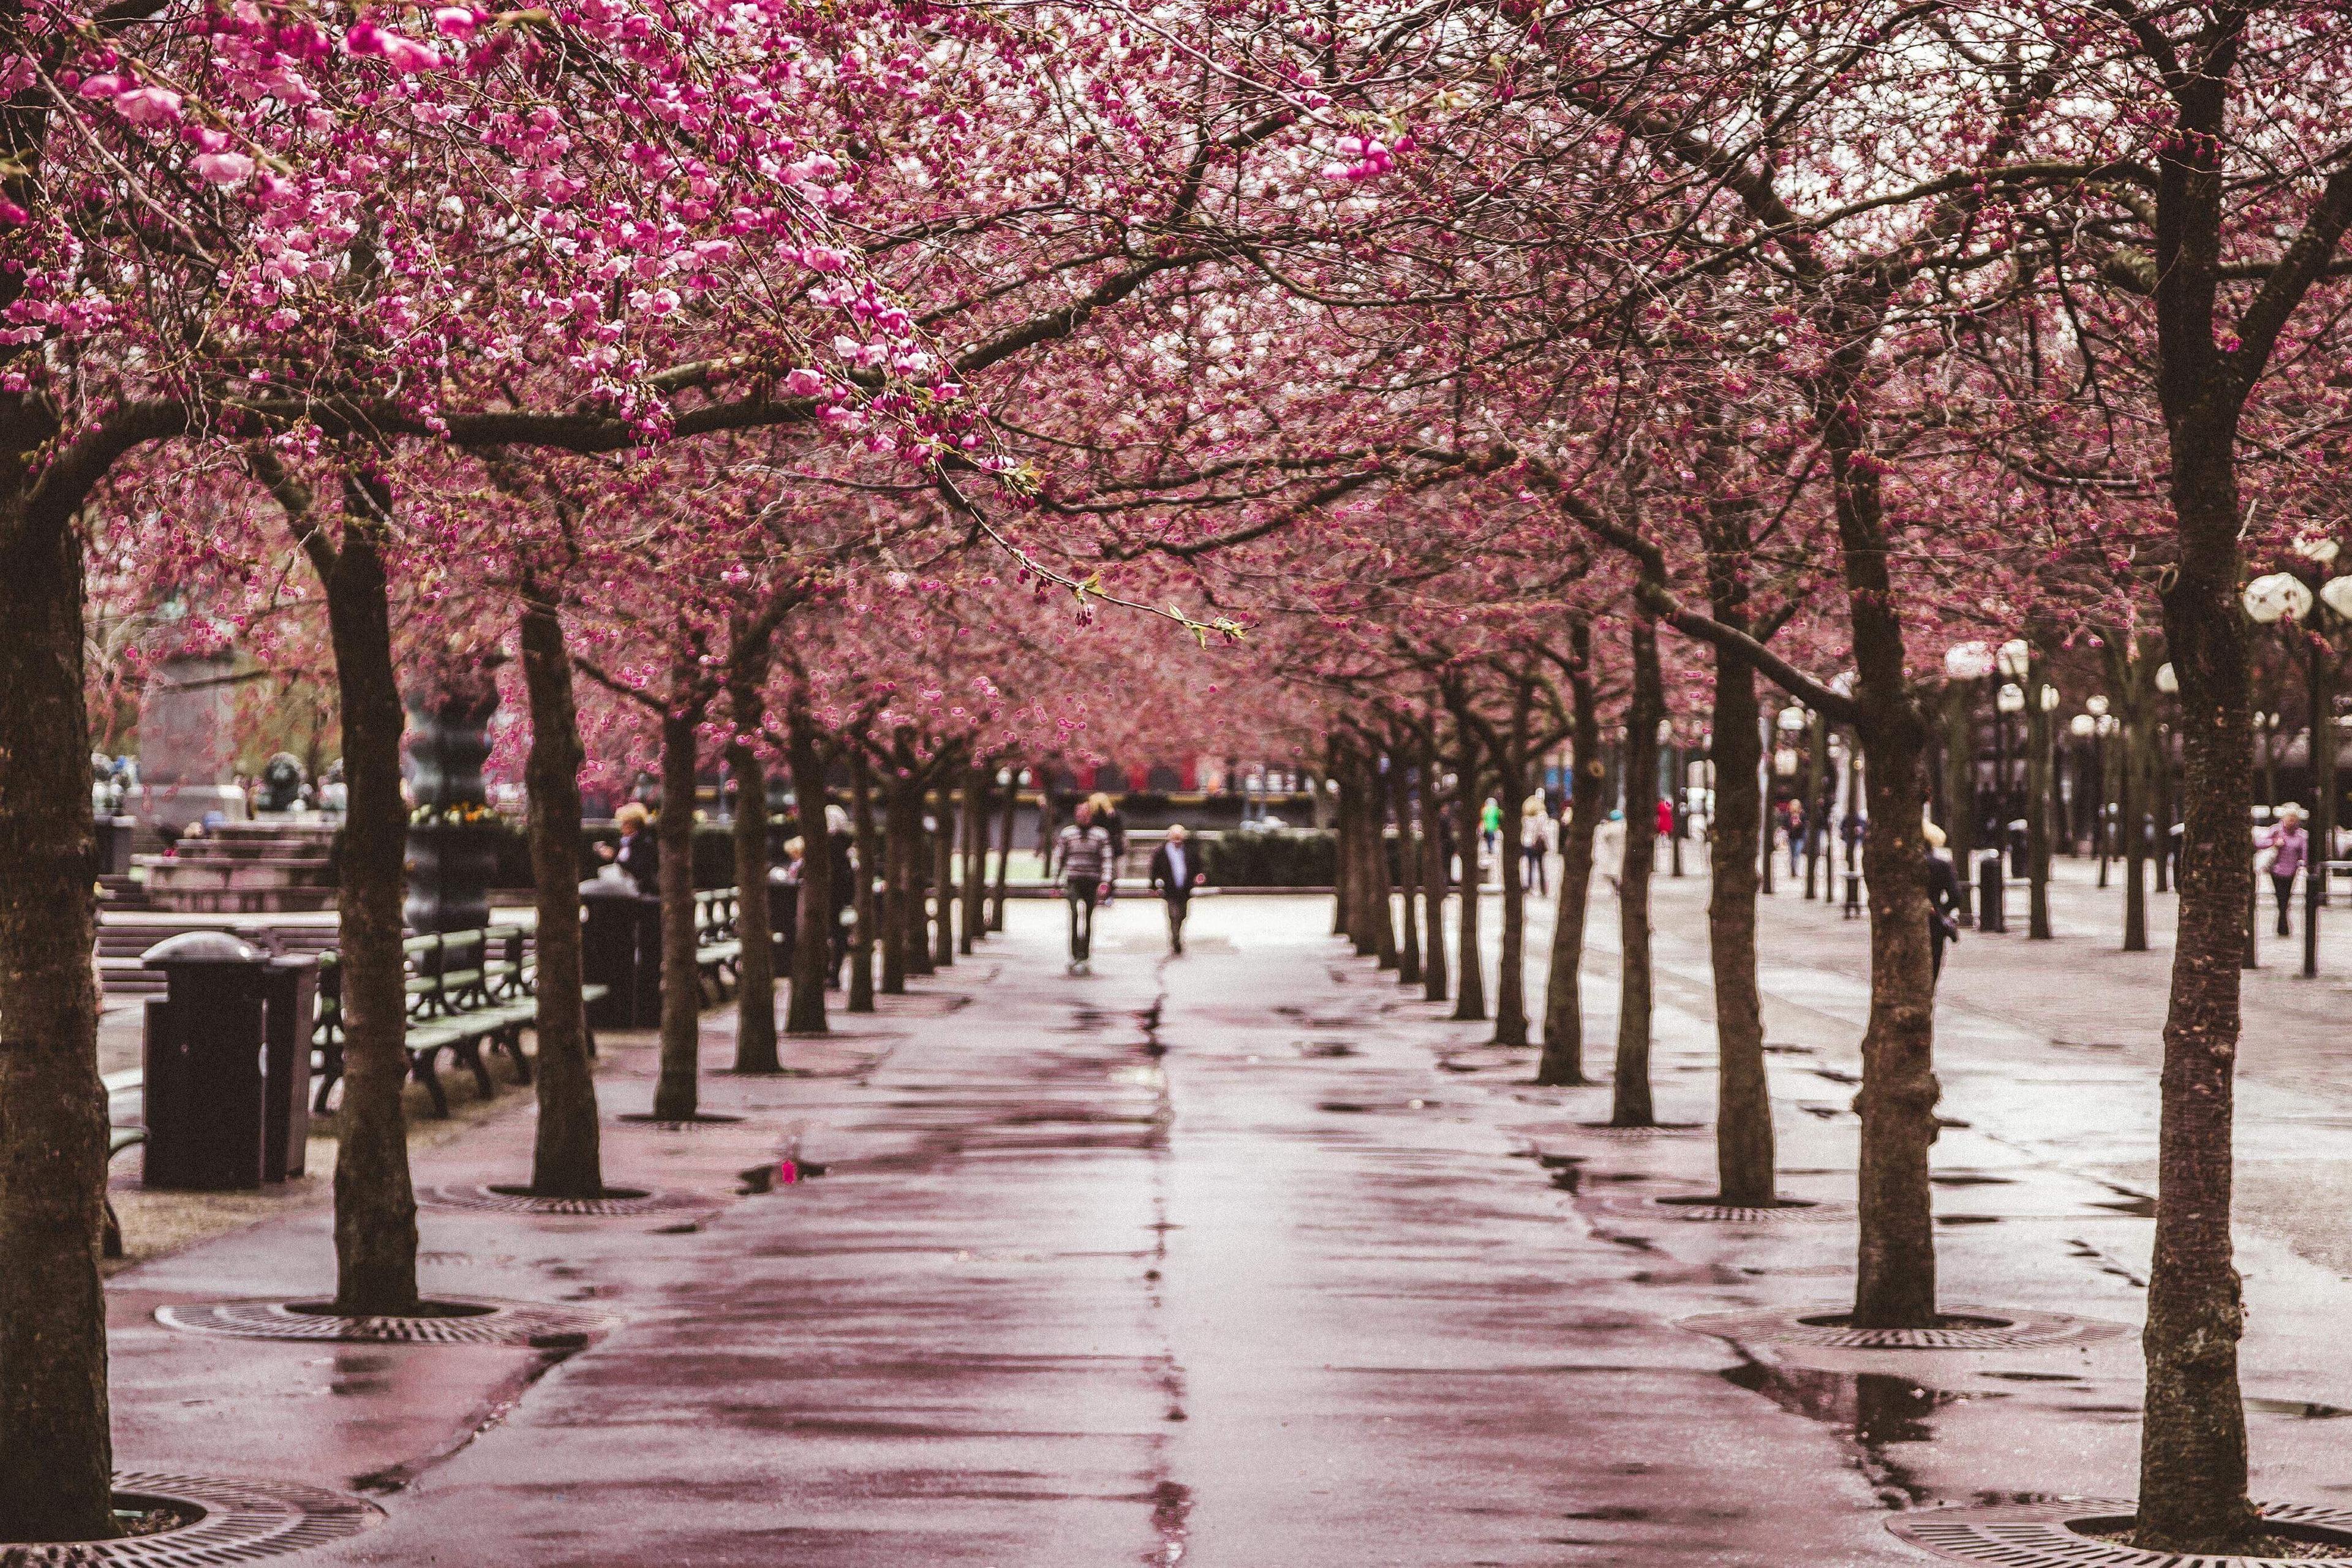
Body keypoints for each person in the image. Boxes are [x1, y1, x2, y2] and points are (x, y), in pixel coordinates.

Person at [1055, 801, 1114, 973]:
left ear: (1091, 815)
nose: (1083, 817)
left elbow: (1107, 859)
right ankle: (1074, 953)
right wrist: (1056, 880)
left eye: (1086, 814)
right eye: (1080, 814)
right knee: (1074, 914)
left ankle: (1085, 954)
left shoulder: (1100, 835)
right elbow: (1060, 857)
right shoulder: (1068, 834)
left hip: (1092, 880)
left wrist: (1105, 882)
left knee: (1088, 917)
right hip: (1074, 879)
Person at [1148, 823, 1207, 954]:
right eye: (1174, 837)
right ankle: (1176, 940)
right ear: (1170, 838)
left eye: (1179, 838)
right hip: (1170, 889)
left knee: (1183, 915)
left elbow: (1199, 866)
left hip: (1185, 890)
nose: (1177, 841)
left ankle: (1177, 934)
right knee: (1173, 915)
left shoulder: (1189, 851)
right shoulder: (1161, 852)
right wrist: (1153, 885)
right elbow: (1154, 870)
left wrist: (1200, 876)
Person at [2261, 802, 2309, 937]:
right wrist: (2274, 843)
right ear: (2284, 818)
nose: (2292, 821)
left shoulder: (2301, 835)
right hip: (2276, 871)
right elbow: (2259, 842)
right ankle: (2283, 927)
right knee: (2281, 898)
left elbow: (2304, 853)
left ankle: (2282, 925)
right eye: (2289, 818)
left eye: (2294, 818)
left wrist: (2303, 864)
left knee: (2286, 898)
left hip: (2291, 872)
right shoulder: (2276, 831)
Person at [1924, 821, 1962, 981]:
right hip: (1933, 924)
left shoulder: (1901, 866)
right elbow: (1956, 897)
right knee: (1932, 970)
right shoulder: (1941, 865)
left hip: (1903, 925)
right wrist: (1941, 910)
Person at [597, 801, 660, 895]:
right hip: (621, 883)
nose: (621, 827)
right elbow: (616, 858)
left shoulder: (645, 843)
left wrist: (616, 858)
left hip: (638, 887)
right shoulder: (623, 841)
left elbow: (640, 869)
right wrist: (609, 855)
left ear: (633, 824)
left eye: (624, 823)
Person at [1088, 791, 1128, 902]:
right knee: (1111, 872)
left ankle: (1098, 896)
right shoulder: (1114, 814)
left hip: (1097, 848)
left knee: (1098, 871)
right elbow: (1120, 831)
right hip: (1112, 848)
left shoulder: (1093, 815)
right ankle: (1109, 895)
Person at [1519, 794, 1553, 895]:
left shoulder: (1525, 818)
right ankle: (1543, 888)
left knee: (1529, 866)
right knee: (1541, 867)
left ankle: (1529, 886)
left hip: (1527, 843)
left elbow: (1524, 831)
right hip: (1537, 844)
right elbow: (1543, 831)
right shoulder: (1542, 816)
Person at [1480, 795, 1503, 863]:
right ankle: (1491, 848)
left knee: (1489, 838)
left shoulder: (1485, 810)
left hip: (1487, 826)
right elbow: (1501, 815)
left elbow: (1483, 817)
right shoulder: (1496, 810)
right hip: (1494, 826)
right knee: (1491, 837)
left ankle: (1490, 848)